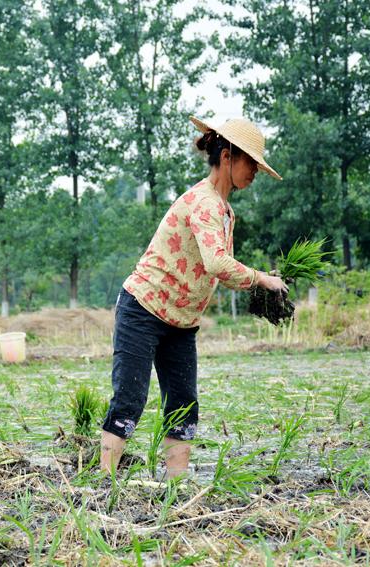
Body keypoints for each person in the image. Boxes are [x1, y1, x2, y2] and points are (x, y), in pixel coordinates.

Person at [100, 116, 289, 478]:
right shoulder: (206, 203)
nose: (255, 172)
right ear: (227, 155)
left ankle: (178, 486)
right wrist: (262, 279)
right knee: (130, 399)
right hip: (144, 310)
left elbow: (220, 269)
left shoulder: (224, 209)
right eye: (251, 163)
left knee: (184, 406)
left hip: (182, 322)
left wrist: (264, 283)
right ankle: (100, 485)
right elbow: (218, 262)